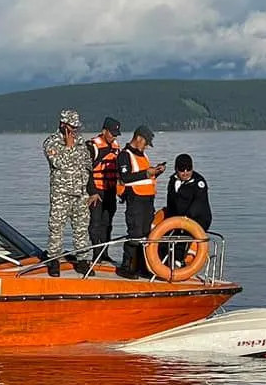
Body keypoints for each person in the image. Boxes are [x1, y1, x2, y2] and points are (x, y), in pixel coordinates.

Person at [43, 109, 93, 277]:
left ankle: (83, 260)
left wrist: (86, 183)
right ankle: (54, 260)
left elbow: (87, 162)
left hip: (80, 192)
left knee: (81, 228)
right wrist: (69, 147)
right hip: (61, 194)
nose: (76, 131)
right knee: (56, 228)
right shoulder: (51, 143)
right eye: (72, 127)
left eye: (77, 127)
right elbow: (58, 163)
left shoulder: (81, 142)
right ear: (64, 126)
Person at [115, 126, 166, 278]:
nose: (146, 147)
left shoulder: (143, 156)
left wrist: (156, 172)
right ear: (138, 138)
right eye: (146, 143)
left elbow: (144, 179)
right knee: (135, 234)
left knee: (146, 235)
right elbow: (126, 178)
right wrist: (146, 173)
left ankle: (143, 268)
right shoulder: (125, 155)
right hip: (135, 200)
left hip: (148, 201)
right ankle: (127, 267)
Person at [163, 153, 212, 264]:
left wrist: (185, 218)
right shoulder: (172, 181)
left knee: (184, 236)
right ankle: (163, 263)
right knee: (165, 236)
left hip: (198, 218)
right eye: (181, 169)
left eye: (188, 169)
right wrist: (169, 221)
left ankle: (180, 261)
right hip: (178, 217)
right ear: (176, 169)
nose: (185, 172)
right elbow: (170, 202)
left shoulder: (199, 182)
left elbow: (199, 203)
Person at [86, 116, 122, 263]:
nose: (113, 136)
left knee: (107, 224)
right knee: (95, 223)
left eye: (116, 134)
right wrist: (92, 192)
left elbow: (119, 171)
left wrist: (121, 191)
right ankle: (96, 254)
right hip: (97, 192)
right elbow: (86, 171)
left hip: (110, 192)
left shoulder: (116, 147)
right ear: (104, 131)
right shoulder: (92, 146)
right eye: (112, 133)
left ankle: (104, 253)